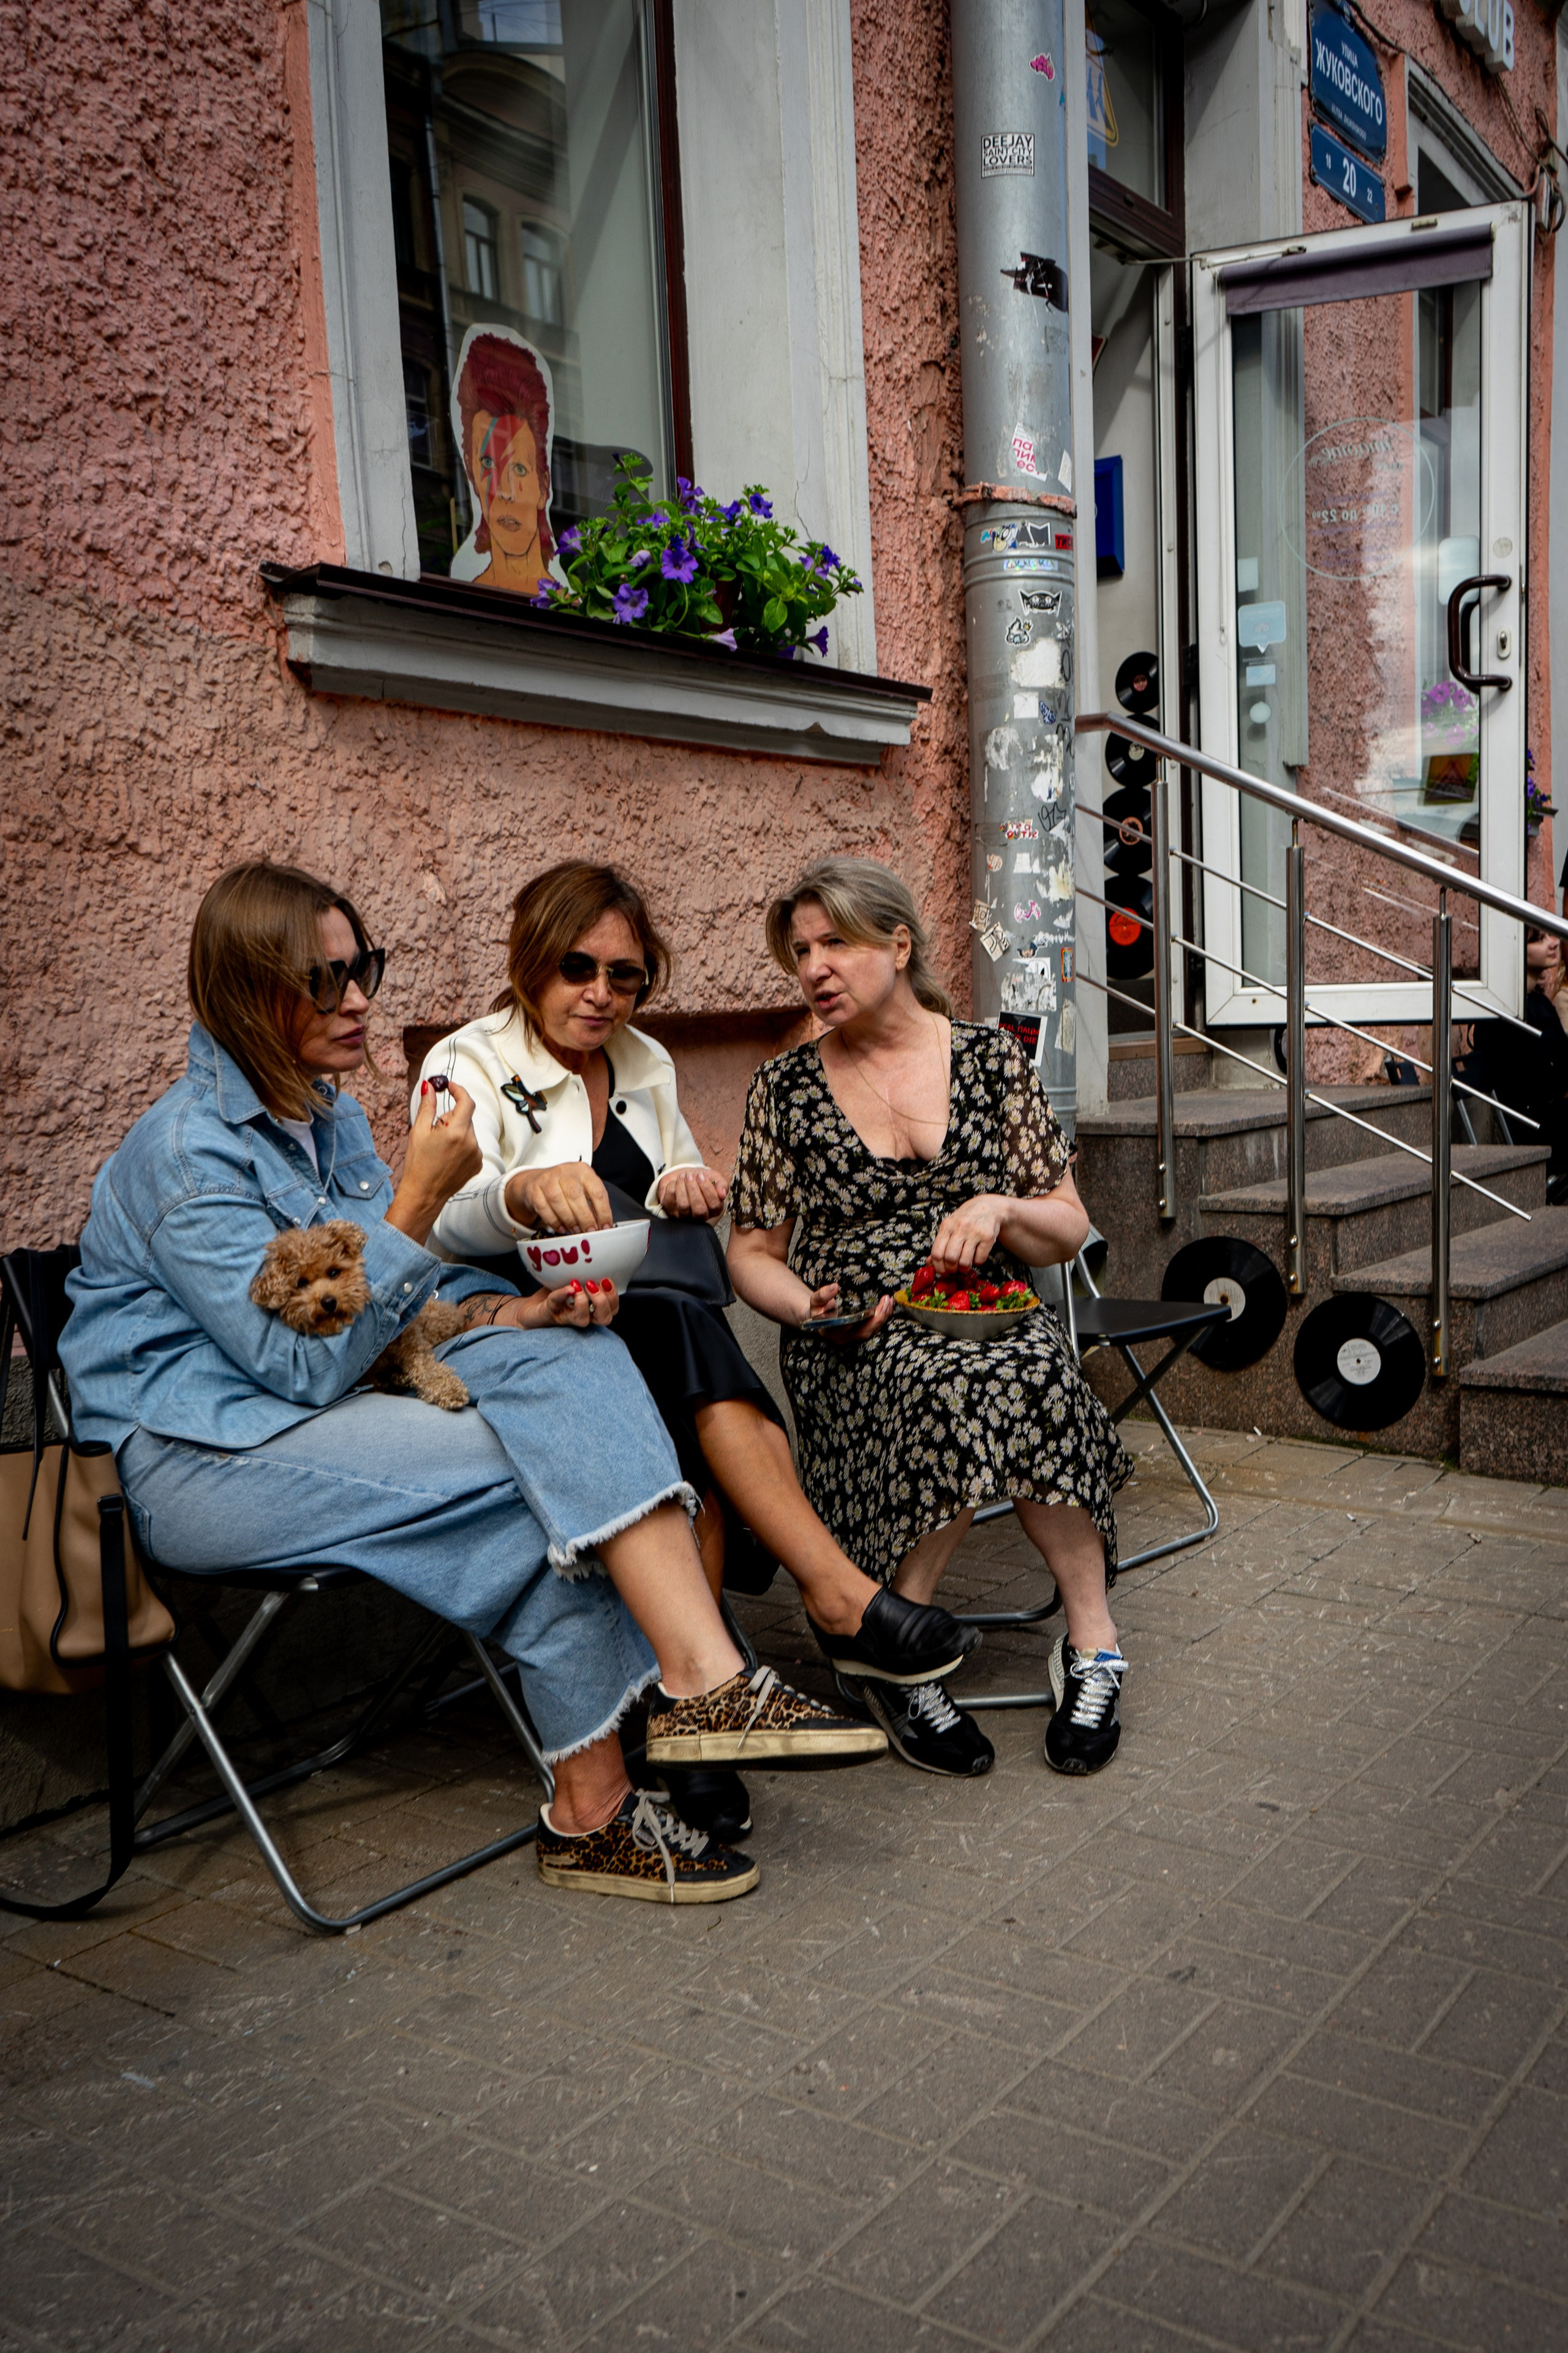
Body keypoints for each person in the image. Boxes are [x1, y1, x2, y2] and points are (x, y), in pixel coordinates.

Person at [59, 861, 884, 1908]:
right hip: (196, 1454)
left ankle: (671, 1711)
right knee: (537, 1474)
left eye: (362, 969)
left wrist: (519, 1312)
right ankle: (661, 1730)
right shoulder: (187, 1156)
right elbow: (301, 1366)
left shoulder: (329, 1118)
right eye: (325, 980)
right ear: (243, 993)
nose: (359, 998)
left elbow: (413, 1300)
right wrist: (414, 1201)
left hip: (336, 1403)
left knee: (583, 1353)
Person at [420, 861, 979, 1837]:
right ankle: (835, 1601)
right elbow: (430, 1219)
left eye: (626, 976)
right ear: (528, 961)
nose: (600, 994)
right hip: (512, 1318)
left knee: (693, 1439)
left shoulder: (643, 1060)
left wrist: (686, 1180)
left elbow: (672, 1158)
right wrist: (516, 1195)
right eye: (577, 967)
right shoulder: (462, 1062)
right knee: (686, 1337)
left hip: (628, 1311)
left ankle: (698, 1716)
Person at [727, 858, 1134, 1779]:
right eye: (800, 951)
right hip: (857, 1328)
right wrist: (806, 1307)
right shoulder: (785, 1089)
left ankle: (1091, 1644)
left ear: (898, 945)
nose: (814, 967)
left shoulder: (991, 1060)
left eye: (835, 942)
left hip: (984, 1308)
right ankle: (894, 1642)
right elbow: (751, 1254)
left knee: (1033, 1373)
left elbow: (1065, 1226)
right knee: (951, 1390)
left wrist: (999, 1208)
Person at [450, 325, 557, 596]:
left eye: (520, 468)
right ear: (472, 477)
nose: (506, 492)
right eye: (487, 465)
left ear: (543, 487)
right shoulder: (465, 599)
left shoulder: (574, 609)